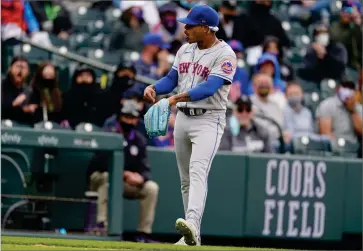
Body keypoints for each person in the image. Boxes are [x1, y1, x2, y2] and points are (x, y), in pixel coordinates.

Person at [143, 4, 237, 246]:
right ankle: (191, 237)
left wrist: (173, 98)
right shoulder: (185, 49)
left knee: (197, 171)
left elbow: (209, 88)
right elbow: (171, 79)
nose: (185, 28)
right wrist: (155, 87)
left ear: (205, 28)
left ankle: (193, 223)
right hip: (184, 118)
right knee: (185, 179)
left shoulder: (225, 54)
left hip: (209, 118)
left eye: (191, 25)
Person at [87, 100, 159, 243]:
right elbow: (99, 162)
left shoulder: (139, 140)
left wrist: (141, 178)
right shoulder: (109, 134)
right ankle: (103, 227)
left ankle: (143, 234)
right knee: (108, 179)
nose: (129, 121)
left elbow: (145, 168)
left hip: (125, 183)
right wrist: (123, 173)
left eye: (132, 118)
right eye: (126, 117)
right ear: (120, 117)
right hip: (100, 177)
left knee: (151, 188)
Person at [316, 80, 362, 144]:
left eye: (351, 89)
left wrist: (353, 111)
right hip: (334, 147)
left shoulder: (358, 108)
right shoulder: (327, 105)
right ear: (338, 89)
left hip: (354, 147)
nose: (348, 92)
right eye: (345, 88)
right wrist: (339, 146)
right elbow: (325, 133)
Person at [1, 56, 33, 125]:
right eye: (17, 66)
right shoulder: (2, 85)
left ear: (28, 72)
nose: (20, 70)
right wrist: (17, 105)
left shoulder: (28, 90)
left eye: (24, 68)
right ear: (10, 68)